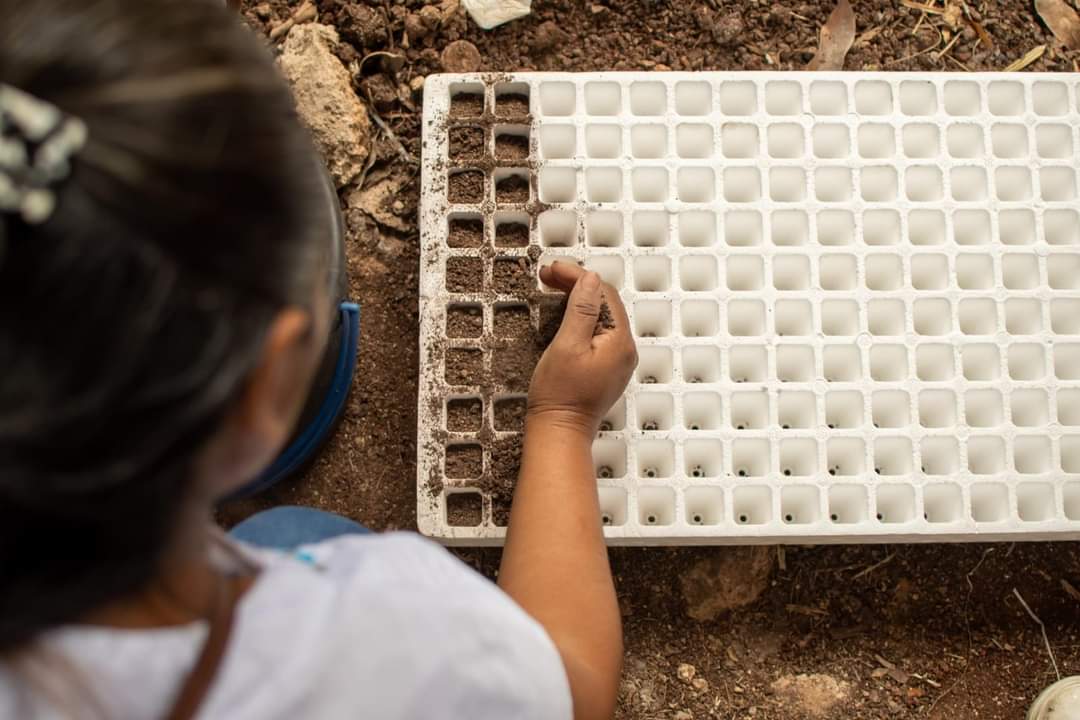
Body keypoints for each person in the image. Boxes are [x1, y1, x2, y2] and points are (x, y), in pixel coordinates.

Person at [0, 1, 637, 718]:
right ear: (263, 386)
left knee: (279, 534)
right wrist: (561, 420)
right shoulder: (384, 643)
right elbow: (573, 685)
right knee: (291, 537)